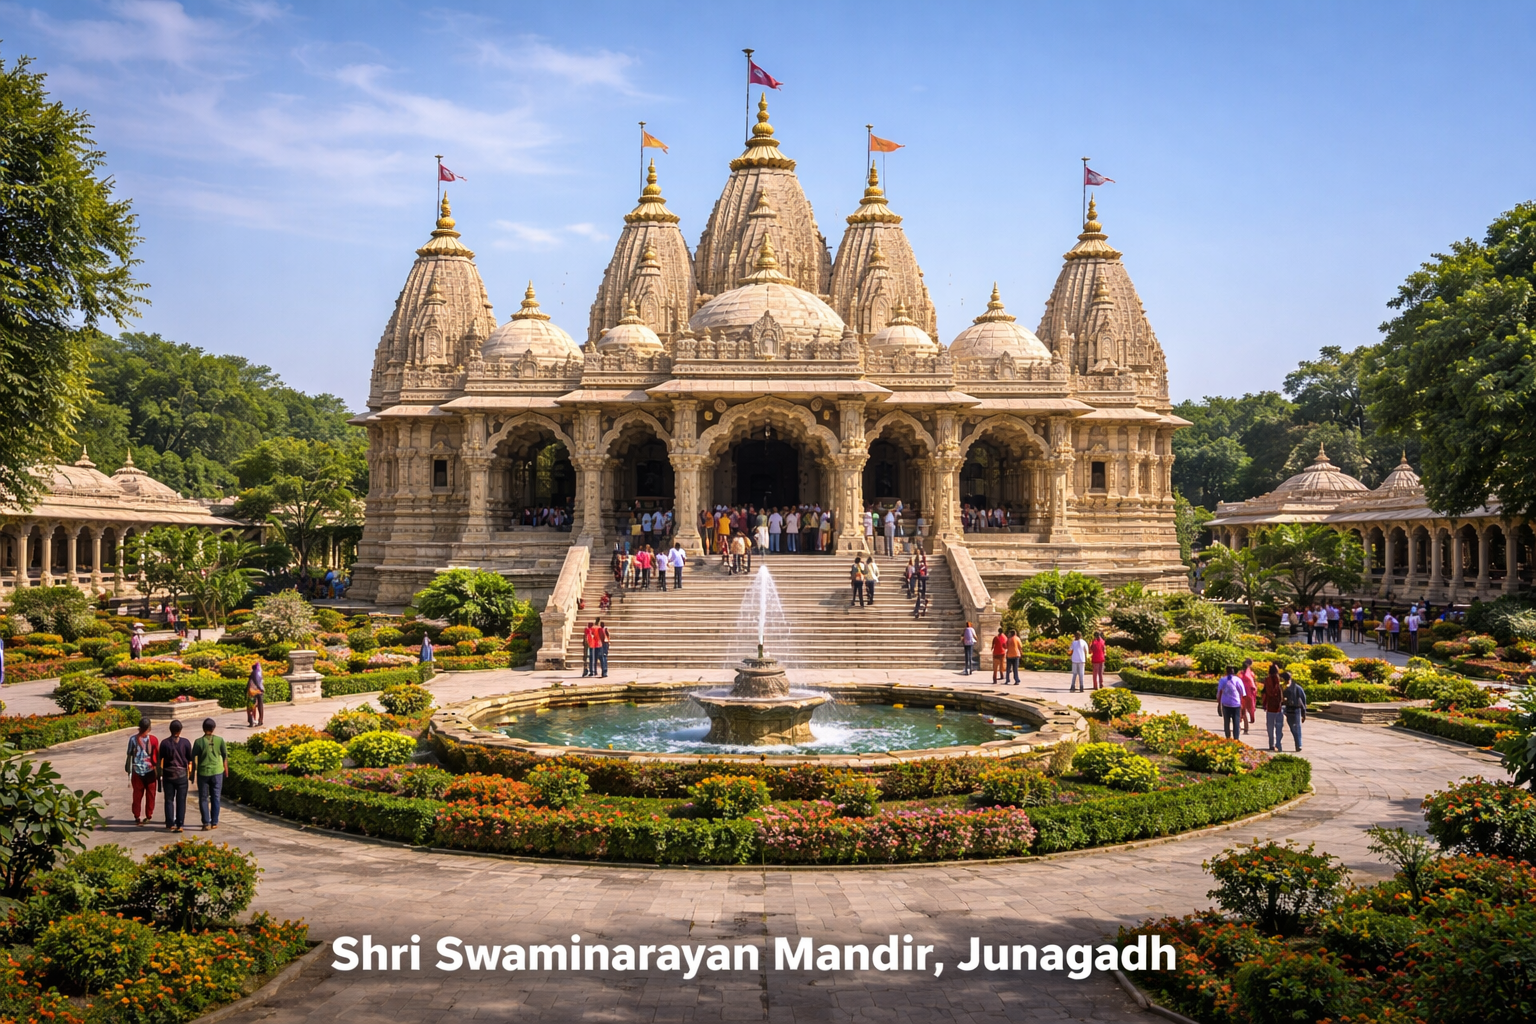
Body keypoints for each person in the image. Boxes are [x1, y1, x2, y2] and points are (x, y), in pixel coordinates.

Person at [192, 718, 228, 831]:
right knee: (216, 797)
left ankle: (206, 823)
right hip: (217, 771)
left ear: (203, 729)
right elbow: (224, 756)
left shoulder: (198, 742)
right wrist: (226, 770)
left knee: (203, 798)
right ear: (213, 728)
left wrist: (192, 774)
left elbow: (193, 759)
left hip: (203, 772)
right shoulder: (220, 740)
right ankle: (214, 822)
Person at [159, 719, 192, 832]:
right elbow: (189, 760)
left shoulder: (164, 743)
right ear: (180, 730)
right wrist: (190, 773)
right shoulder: (186, 742)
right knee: (181, 800)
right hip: (182, 776)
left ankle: (170, 823)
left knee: (169, 799)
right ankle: (180, 824)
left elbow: (160, 759)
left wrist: (160, 774)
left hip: (168, 775)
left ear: (170, 730)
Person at [125, 718, 159, 826]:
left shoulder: (132, 740)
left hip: (137, 771)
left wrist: (128, 770)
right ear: (149, 728)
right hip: (150, 771)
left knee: (137, 795)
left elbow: (129, 755)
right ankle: (149, 816)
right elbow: (157, 756)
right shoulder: (153, 740)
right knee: (151, 795)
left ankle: (137, 816)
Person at [1282, 670, 1307, 751]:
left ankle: (1299, 745)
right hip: (1287, 710)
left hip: (1296, 709)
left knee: (1296, 728)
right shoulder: (1282, 688)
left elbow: (1303, 701)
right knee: (1292, 728)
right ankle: (1297, 744)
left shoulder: (1297, 688)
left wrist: (1303, 714)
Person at [1217, 667, 1245, 740]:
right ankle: (1236, 739)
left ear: (1226, 672)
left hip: (1226, 704)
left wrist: (1219, 704)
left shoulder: (1223, 680)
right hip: (1236, 704)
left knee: (1227, 722)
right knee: (1236, 723)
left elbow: (1219, 692)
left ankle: (1228, 738)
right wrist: (1242, 705)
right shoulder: (1238, 680)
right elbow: (1243, 693)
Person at [1238, 657, 1257, 735]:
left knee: (1242, 712)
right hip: (1248, 695)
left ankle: (1241, 727)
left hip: (1242, 695)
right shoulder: (1250, 674)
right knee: (1244, 712)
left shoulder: (1241, 674)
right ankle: (1245, 729)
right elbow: (1253, 686)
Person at [246, 660, 265, 728]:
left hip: (254, 691)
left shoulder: (254, 672)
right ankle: (260, 720)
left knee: (251, 706)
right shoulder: (257, 672)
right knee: (259, 706)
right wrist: (261, 688)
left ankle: (252, 721)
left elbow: (256, 682)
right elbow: (258, 681)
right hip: (258, 691)